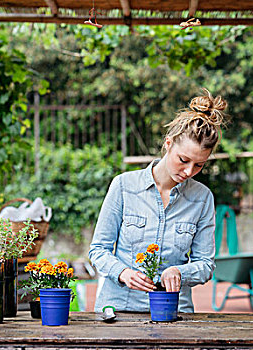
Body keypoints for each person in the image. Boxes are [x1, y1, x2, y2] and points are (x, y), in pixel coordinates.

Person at [89, 88, 228, 313]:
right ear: (168, 144)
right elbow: (98, 250)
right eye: (183, 160)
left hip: (175, 312)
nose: (189, 171)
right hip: (119, 311)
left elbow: (205, 264)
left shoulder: (202, 198)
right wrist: (122, 273)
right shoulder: (124, 186)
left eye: (199, 165)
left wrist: (180, 273)